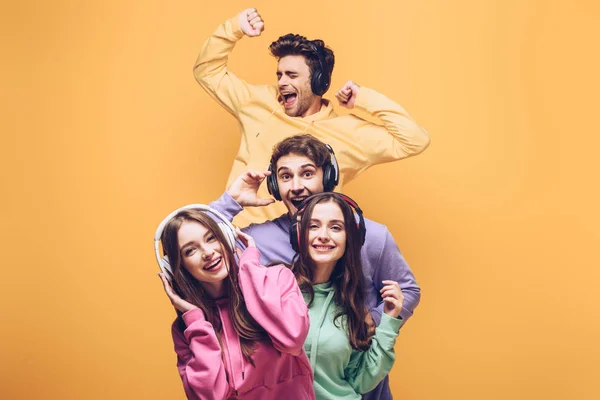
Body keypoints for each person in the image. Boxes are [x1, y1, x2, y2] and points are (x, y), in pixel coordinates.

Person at [210, 134, 419, 400]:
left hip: (361, 384)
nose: (296, 186)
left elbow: (407, 289)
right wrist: (230, 202)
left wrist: (369, 323)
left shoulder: (369, 235)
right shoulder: (256, 240)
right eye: (285, 177)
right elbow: (189, 251)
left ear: (328, 177)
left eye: (307, 174)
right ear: (274, 186)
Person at [194, 7, 430, 225]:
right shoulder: (259, 103)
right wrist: (234, 28)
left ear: (318, 82)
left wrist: (364, 99)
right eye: (279, 75)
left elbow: (414, 140)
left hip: (309, 252)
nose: (282, 82)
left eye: (291, 75)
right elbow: (207, 72)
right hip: (242, 244)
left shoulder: (349, 132)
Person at [155, 205, 315, 399]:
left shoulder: (278, 278)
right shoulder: (187, 329)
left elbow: (292, 339)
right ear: (176, 268)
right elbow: (211, 396)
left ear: (227, 238)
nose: (207, 252)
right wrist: (197, 322)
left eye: (211, 238)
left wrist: (250, 269)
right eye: (190, 250)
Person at [291, 192, 405, 399]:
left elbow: (362, 378)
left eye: (335, 227)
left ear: (349, 239)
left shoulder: (351, 304)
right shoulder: (274, 288)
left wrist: (388, 322)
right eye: (314, 226)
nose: (323, 235)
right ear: (298, 234)